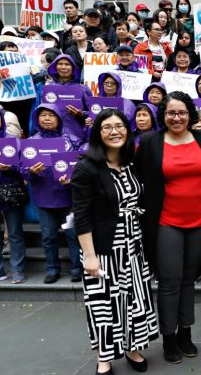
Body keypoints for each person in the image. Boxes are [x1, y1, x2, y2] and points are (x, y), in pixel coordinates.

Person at [71, 109, 159, 374]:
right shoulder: (86, 167)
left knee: (135, 300)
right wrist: (89, 255)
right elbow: (82, 215)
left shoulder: (131, 163)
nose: (114, 131)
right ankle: (104, 358)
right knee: (104, 304)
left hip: (134, 246)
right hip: (104, 248)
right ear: (98, 133)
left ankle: (132, 348)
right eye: (107, 127)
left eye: (119, 126)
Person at [134, 91, 201, 364]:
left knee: (188, 281)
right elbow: (137, 179)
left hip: (199, 222)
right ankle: (168, 337)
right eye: (171, 113)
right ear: (163, 115)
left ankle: (185, 333)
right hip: (166, 222)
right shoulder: (150, 142)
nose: (177, 117)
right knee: (169, 283)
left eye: (181, 112)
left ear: (190, 114)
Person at [24, 103, 83, 284]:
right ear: (37, 119)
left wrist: (72, 179)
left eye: (51, 115)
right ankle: (52, 268)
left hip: (68, 196)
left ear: (58, 118)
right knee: (48, 236)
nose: (47, 119)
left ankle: (77, 268)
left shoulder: (71, 140)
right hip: (44, 197)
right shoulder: (32, 142)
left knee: (72, 234)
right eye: (43, 115)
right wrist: (30, 172)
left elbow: (79, 166)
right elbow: (22, 169)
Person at [0, 105, 26, 284]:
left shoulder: (13, 140)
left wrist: (10, 168)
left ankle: (18, 270)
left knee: (15, 233)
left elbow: (24, 167)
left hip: (12, 190)